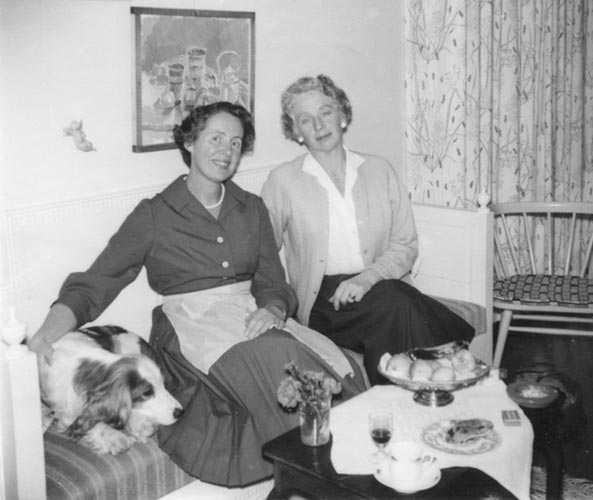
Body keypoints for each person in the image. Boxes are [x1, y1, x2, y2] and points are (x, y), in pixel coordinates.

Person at [29, 101, 366, 486]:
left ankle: (341, 473)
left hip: (249, 315)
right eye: (216, 138)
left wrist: (273, 308)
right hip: (190, 326)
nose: (227, 151)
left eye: (236, 143)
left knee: (322, 364)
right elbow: (97, 281)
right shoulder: (154, 214)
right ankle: (321, 478)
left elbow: (273, 281)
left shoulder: (251, 208)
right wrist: (45, 335)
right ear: (189, 142)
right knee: (273, 358)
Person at [261, 75, 475, 386]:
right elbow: (264, 252)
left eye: (325, 112)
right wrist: (274, 304)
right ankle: (449, 370)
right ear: (296, 132)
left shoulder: (380, 169)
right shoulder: (283, 181)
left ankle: (398, 394)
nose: (319, 125)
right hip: (325, 302)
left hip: (381, 286)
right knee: (398, 303)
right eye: (305, 119)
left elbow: (405, 244)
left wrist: (367, 278)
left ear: (342, 115)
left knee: (394, 303)